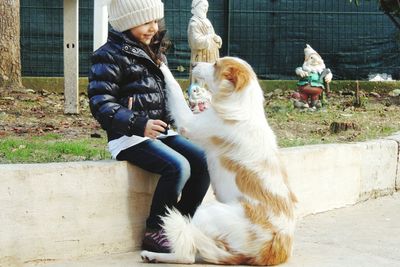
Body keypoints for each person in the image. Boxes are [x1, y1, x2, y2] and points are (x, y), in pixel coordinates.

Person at [87, 0, 210, 253]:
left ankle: (181, 223)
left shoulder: (154, 53)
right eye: (145, 22)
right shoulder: (108, 55)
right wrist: (138, 123)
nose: (153, 27)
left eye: (155, 21)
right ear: (126, 22)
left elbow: (161, 98)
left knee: (204, 161)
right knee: (178, 166)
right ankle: (156, 231)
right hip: (129, 137)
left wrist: (185, 118)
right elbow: (101, 103)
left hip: (159, 133)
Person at [188, 0, 222, 82]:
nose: (205, 8)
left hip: (212, 57)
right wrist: (209, 37)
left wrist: (217, 39)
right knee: (200, 83)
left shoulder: (207, 21)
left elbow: (213, 35)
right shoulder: (194, 24)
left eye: (207, 6)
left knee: (211, 80)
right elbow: (195, 42)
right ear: (196, 7)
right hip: (201, 57)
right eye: (203, 6)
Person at [293, 44, 333, 109]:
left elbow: (328, 72)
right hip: (304, 87)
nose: (314, 61)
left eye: (317, 58)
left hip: (316, 88)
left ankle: (315, 103)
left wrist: (329, 76)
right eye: (311, 58)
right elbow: (297, 69)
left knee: (315, 97)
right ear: (306, 60)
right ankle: (303, 103)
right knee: (303, 96)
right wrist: (300, 72)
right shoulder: (305, 69)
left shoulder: (321, 70)